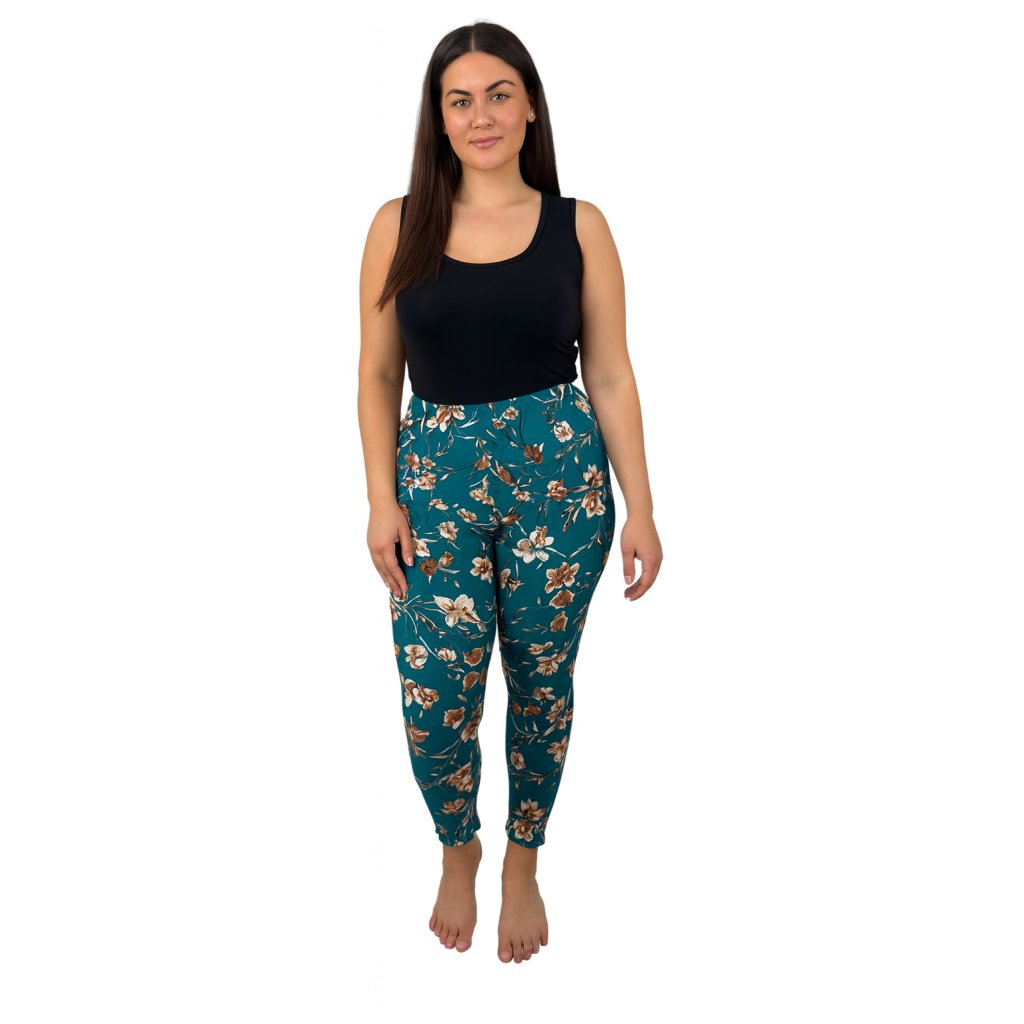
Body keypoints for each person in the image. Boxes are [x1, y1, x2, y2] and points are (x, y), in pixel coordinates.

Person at [357, 21, 662, 964]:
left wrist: (642, 507)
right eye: (460, 100)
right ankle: (460, 847)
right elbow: (377, 375)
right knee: (435, 692)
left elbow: (609, 373)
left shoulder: (581, 226)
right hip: (434, 486)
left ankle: (523, 857)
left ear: (530, 106)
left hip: (559, 488)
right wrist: (380, 500)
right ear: (439, 119)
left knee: (541, 682)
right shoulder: (397, 224)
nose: (480, 114)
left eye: (498, 94)